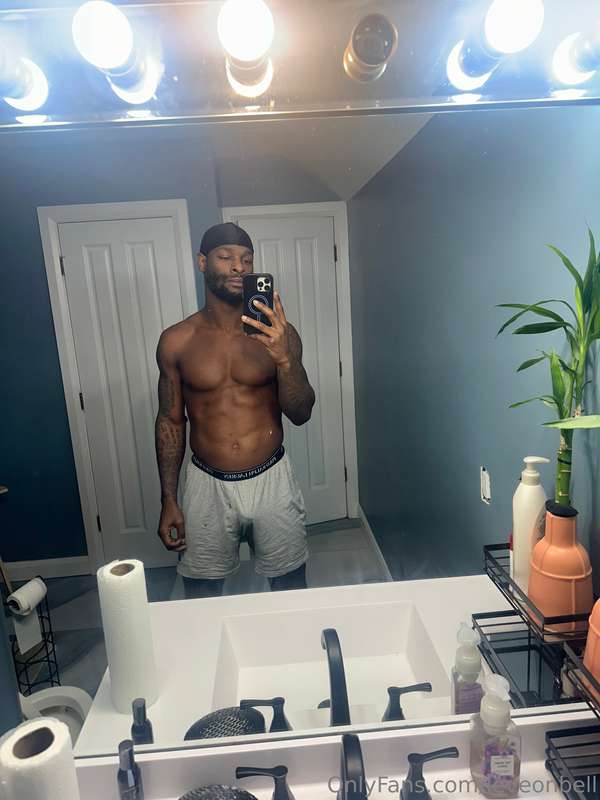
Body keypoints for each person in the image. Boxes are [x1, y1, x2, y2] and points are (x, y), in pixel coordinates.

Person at [155, 222, 315, 598]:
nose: (238, 267)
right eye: (225, 257)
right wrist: (168, 499)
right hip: (206, 484)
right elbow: (170, 420)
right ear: (202, 262)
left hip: (272, 478)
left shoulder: (280, 335)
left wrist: (285, 359)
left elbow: (301, 412)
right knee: (201, 595)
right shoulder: (177, 340)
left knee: (291, 590)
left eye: (246, 259)